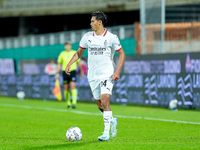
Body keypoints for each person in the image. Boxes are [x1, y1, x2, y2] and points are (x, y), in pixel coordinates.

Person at [65, 11, 126, 141]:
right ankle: (112, 120)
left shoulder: (111, 37)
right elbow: (79, 52)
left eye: (93, 21)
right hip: (92, 75)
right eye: (91, 21)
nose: (90, 23)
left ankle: (106, 133)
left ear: (100, 22)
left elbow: (122, 54)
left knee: (105, 101)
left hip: (106, 74)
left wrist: (117, 72)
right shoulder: (87, 37)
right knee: (99, 105)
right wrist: (70, 63)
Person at [56, 41, 84, 109]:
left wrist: (81, 71)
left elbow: (78, 63)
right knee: (66, 88)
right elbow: (59, 63)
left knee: (73, 86)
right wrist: (57, 73)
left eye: (68, 45)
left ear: (70, 46)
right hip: (65, 72)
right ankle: (68, 103)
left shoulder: (74, 52)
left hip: (72, 71)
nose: (67, 47)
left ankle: (74, 102)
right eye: (66, 45)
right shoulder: (62, 53)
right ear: (65, 46)